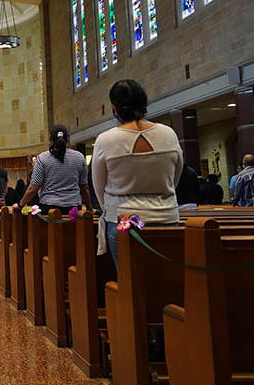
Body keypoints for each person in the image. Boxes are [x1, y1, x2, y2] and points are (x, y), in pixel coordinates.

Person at [91, 80, 183, 269]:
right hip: (166, 217)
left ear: (115, 108)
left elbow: (98, 187)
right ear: (144, 103)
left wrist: (110, 208)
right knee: (166, 280)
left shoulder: (106, 139)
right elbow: (175, 178)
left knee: (129, 283)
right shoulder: (169, 134)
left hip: (123, 219)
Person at [19, 126, 91, 216]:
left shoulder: (42, 158)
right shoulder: (79, 157)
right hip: (74, 207)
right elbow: (84, 188)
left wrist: (20, 205)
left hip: (49, 207)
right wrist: (89, 208)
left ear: (50, 139)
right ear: (67, 140)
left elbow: (33, 188)